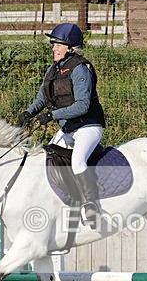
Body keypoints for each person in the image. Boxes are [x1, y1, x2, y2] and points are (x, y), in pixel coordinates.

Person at [17, 23, 106, 225]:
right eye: (53, 44)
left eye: (58, 44)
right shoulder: (53, 69)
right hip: (68, 129)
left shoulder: (81, 68)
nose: (53, 48)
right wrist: (28, 113)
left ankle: (91, 204)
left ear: (70, 47)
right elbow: (41, 97)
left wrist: (51, 115)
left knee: (77, 161)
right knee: (48, 156)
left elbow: (82, 106)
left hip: (88, 127)